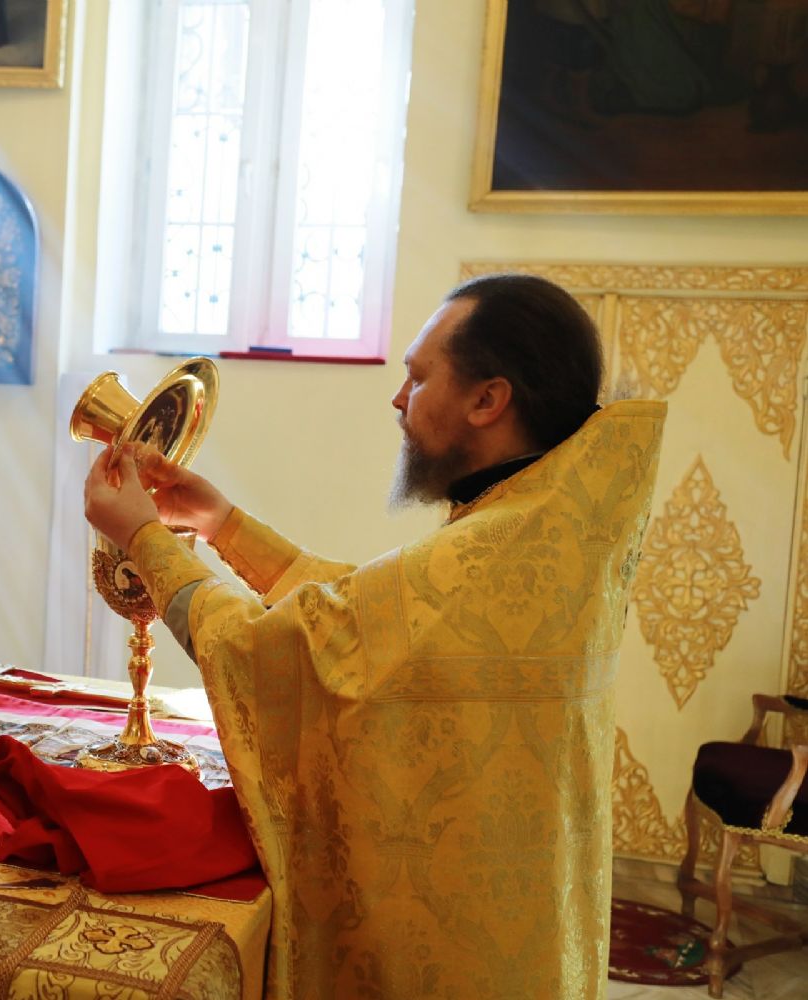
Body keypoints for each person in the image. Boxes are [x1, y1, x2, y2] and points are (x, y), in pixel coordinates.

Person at [84, 273, 666, 999]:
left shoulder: (494, 548)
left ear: (487, 400)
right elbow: (368, 618)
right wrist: (221, 524)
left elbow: (296, 646)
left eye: (418, 378)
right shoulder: (546, 522)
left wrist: (142, 537)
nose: (398, 398)